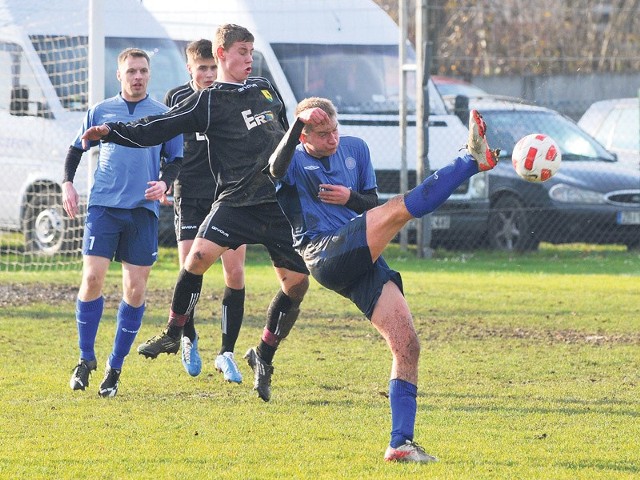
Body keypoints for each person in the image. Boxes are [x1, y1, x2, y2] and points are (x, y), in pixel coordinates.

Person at [80, 24, 310, 402]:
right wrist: (112, 131)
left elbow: (284, 141)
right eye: (241, 51)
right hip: (236, 201)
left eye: (252, 51)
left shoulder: (265, 89)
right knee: (197, 258)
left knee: (297, 286)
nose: (249, 58)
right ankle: (175, 331)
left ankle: (263, 355)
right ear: (221, 54)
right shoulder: (209, 100)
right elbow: (159, 127)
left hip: (277, 203)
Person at [266, 97, 498, 463]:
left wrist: (349, 198)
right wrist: (295, 125)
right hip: (323, 252)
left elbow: (369, 204)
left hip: (360, 255)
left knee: (407, 343)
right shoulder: (291, 157)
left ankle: (400, 444)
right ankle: (470, 161)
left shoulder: (356, 148)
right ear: (304, 135)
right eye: (322, 134)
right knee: (400, 209)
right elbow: (273, 169)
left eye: (334, 130)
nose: (332, 139)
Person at [65, 48, 183, 397]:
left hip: (142, 212)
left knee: (134, 291)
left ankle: (114, 368)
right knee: (91, 278)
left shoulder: (164, 116)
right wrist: (67, 184)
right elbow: (76, 149)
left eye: (143, 71)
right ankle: (86, 360)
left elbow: (175, 160)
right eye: (131, 71)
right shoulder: (100, 111)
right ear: (120, 75)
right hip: (103, 206)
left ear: (149, 74)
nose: (137, 76)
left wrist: (165, 182)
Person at [155, 39, 246, 383]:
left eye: (213, 67)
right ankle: (189, 338)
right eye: (202, 68)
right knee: (189, 271)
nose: (209, 74)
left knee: (235, 274)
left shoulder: (234, 94)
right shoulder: (177, 99)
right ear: (190, 69)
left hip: (231, 194)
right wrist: (163, 181)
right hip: (190, 193)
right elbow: (164, 144)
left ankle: (226, 353)